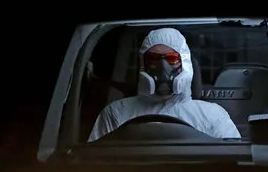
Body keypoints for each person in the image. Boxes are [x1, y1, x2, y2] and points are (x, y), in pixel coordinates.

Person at [88, 28, 240, 142]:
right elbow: (94, 165)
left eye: (172, 59)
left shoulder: (211, 116)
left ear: (185, 63)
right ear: (143, 64)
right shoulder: (116, 113)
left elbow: (230, 166)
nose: (163, 67)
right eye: (153, 59)